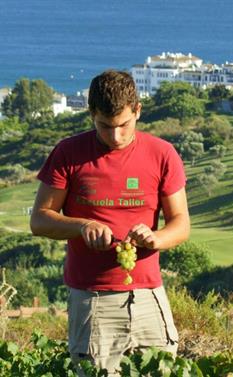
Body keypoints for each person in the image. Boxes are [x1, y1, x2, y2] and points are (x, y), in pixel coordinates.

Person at [30, 70, 190, 375]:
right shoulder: (69, 153)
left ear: (138, 111)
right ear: (91, 114)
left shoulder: (162, 154)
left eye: (123, 125)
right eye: (104, 126)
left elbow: (181, 224)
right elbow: (39, 220)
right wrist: (81, 226)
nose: (114, 136)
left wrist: (157, 238)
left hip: (148, 294)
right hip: (92, 299)